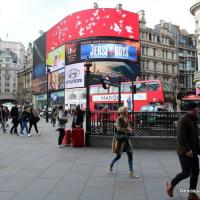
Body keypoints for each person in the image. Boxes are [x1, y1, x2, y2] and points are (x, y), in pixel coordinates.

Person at [166, 102, 200, 200]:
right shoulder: (183, 119)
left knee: (196, 171)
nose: (198, 109)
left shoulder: (193, 120)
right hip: (185, 152)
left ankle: (192, 193)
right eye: (196, 108)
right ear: (192, 109)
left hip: (194, 152)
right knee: (186, 173)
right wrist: (188, 150)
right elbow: (181, 137)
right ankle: (171, 183)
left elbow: (195, 138)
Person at [109, 106, 138, 178]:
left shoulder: (126, 119)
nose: (127, 112)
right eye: (126, 110)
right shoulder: (119, 119)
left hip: (125, 140)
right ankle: (110, 166)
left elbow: (127, 127)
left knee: (130, 153)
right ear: (123, 112)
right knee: (118, 156)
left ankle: (131, 172)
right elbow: (119, 129)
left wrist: (129, 129)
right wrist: (127, 130)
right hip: (121, 140)